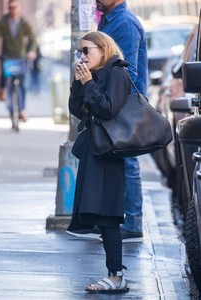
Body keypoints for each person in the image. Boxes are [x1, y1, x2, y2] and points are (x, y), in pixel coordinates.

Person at [67, 0, 148, 241]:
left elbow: (126, 70)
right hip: (104, 101)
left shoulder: (124, 23)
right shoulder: (109, 19)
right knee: (109, 156)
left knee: (127, 158)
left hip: (123, 105)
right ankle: (101, 219)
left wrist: (94, 86)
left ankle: (132, 223)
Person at [69, 31, 130, 293]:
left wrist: (89, 84)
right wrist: (78, 84)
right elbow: (76, 109)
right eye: (79, 52)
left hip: (109, 152)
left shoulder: (117, 73)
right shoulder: (94, 76)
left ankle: (116, 276)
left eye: (86, 50)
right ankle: (114, 274)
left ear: (103, 49)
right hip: (96, 150)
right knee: (99, 212)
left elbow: (107, 108)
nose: (82, 56)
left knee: (109, 215)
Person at [0, 0, 36, 122]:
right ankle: (2, 89)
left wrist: (31, 51)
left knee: (22, 84)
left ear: (19, 8)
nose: (12, 10)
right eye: (10, 8)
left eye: (15, 7)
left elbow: (33, 39)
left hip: (20, 57)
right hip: (7, 56)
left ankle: (22, 109)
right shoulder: (3, 21)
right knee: (4, 75)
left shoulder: (24, 22)